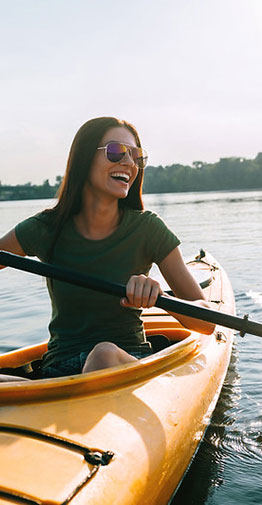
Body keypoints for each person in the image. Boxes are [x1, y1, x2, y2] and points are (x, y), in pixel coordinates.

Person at [0, 117, 215, 380]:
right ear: (84, 159)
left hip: (126, 361)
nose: (129, 163)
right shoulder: (45, 227)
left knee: (102, 354)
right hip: (58, 370)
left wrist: (161, 299)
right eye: (116, 151)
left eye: (136, 156)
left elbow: (206, 322)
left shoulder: (148, 229)